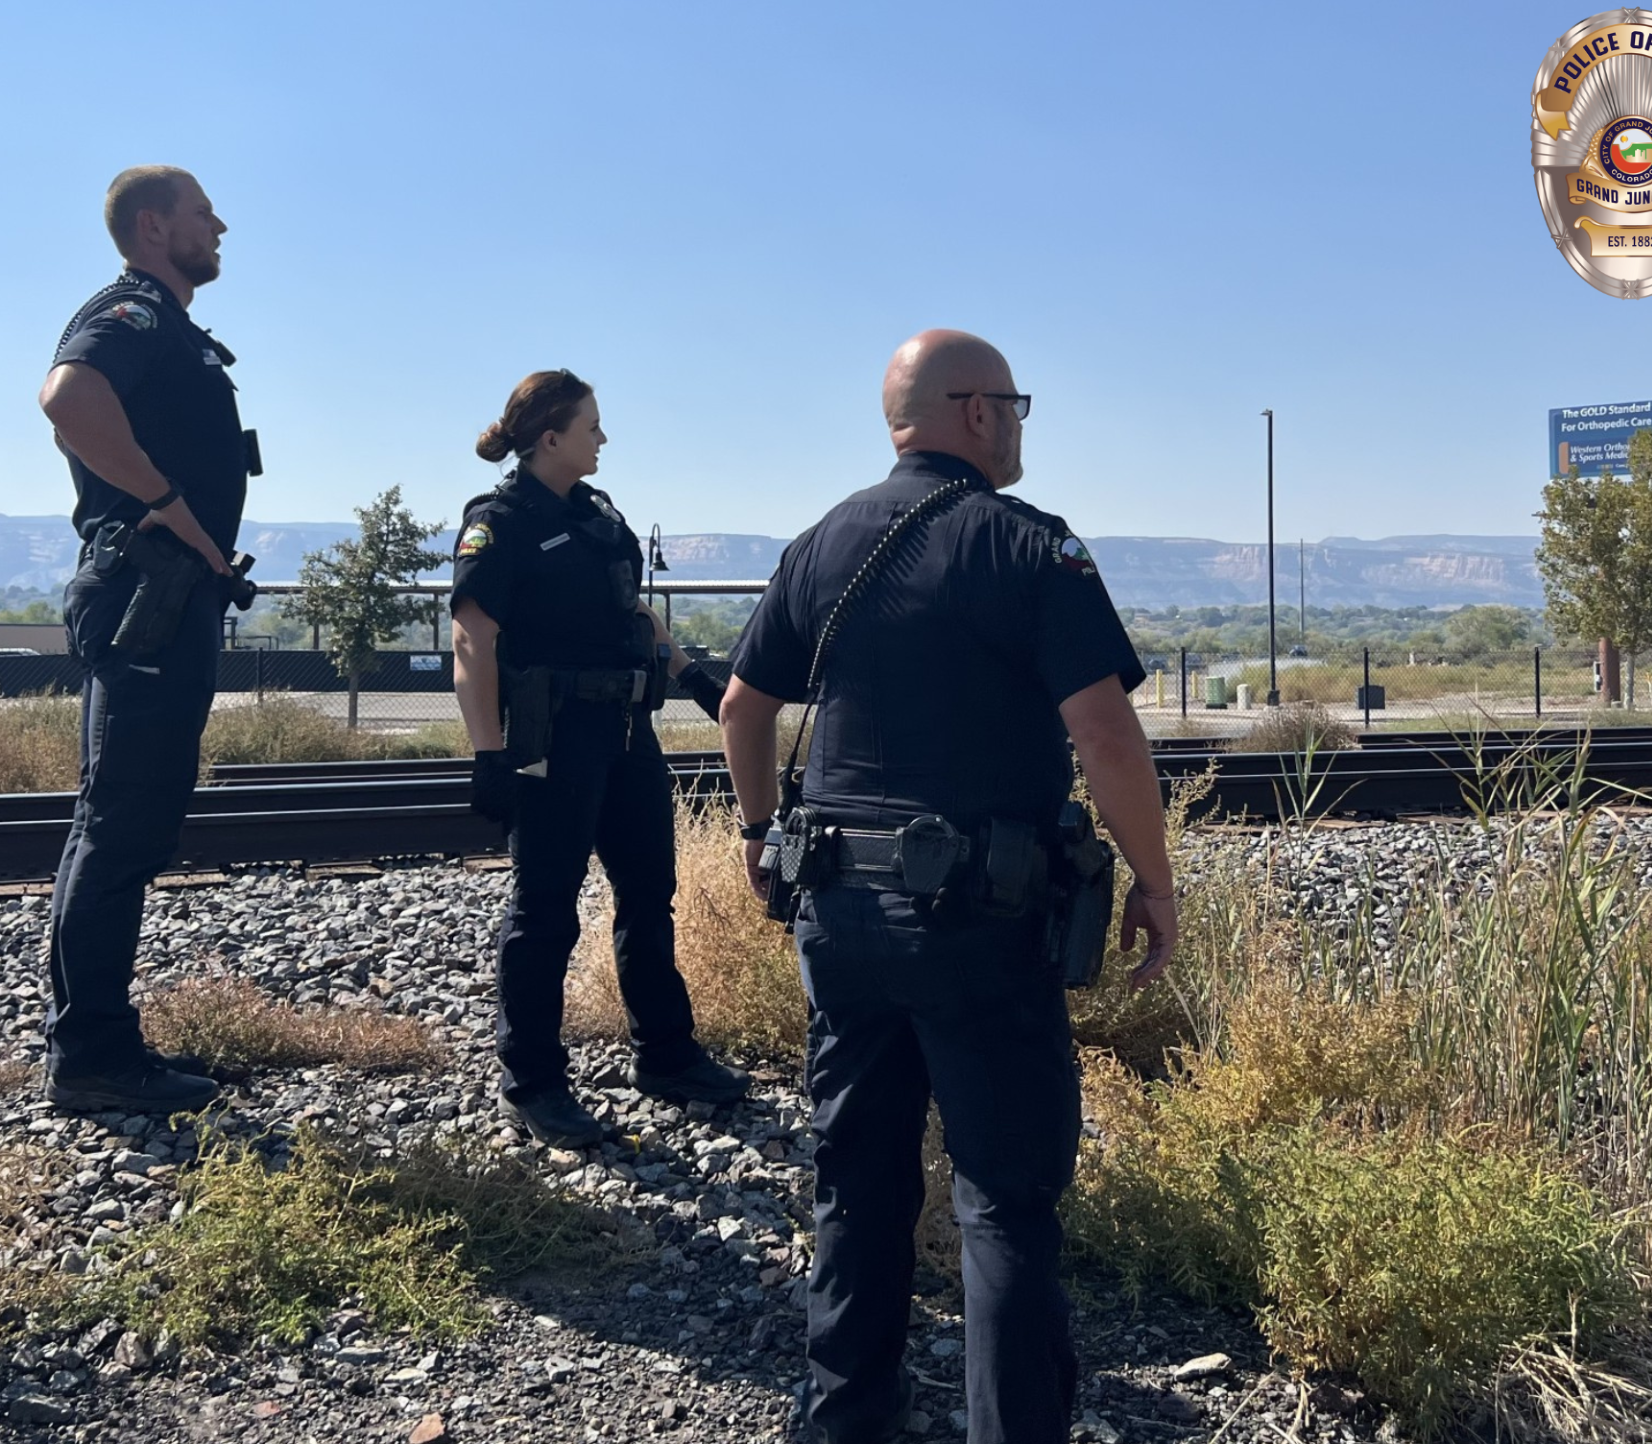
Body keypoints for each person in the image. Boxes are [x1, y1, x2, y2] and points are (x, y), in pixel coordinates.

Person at [720, 330, 1179, 1444]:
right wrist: (1155, 880)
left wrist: (762, 830)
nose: (1020, 421)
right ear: (975, 413)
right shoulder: (1026, 547)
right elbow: (1107, 735)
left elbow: (742, 708)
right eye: (1015, 402)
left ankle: (844, 1422)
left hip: (839, 915)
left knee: (859, 1184)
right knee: (1004, 1199)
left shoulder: (820, 542)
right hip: (980, 924)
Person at [451, 369, 748, 1148]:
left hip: (625, 731)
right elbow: (471, 639)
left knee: (649, 893)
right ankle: (536, 1081)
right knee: (545, 912)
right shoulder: (500, 520)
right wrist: (489, 754)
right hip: (552, 740)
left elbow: (635, 616)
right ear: (550, 436)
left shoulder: (600, 517)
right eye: (591, 426)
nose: (603, 438)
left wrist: (692, 676)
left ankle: (667, 1054)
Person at [38, 166, 253, 1115]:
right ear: (157, 226)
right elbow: (67, 399)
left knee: (128, 821)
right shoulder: (133, 312)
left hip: (171, 598)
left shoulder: (176, 330)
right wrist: (168, 508)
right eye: (206, 214)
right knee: (119, 825)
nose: (221, 226)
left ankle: (97, 1046)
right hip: (148, 595)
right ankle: (92, 1057)